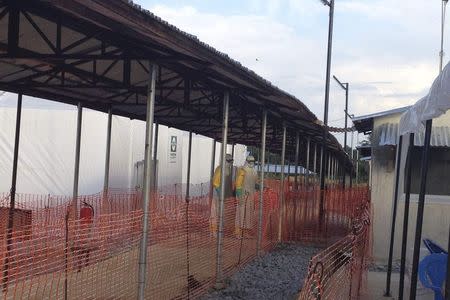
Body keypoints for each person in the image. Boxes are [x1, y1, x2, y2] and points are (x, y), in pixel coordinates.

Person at [210, 154, 236, 233]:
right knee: (215, 213)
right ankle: (213, 231)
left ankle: (219, 229)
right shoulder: (220, 169)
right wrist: (220, 193)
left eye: (232, 161)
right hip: (217, 195)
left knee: (221, 213)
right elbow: (215, 182)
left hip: (223, 195)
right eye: (229, 161)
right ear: (224, 160)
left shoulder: (228, 169)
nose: (231, 163)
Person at [234, 155, 258, 238]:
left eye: (253, 161)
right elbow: (238, 184)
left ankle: (245, 233)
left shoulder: (254, 171)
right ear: (247, 161)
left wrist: (262, 187)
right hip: (242, 195)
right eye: (250, 161)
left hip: (251, 196)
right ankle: (238, 233)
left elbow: (255, 184)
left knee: (248, 214)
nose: (251, 163)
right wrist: (239, 195)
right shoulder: (242, 170)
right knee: (240, 213)